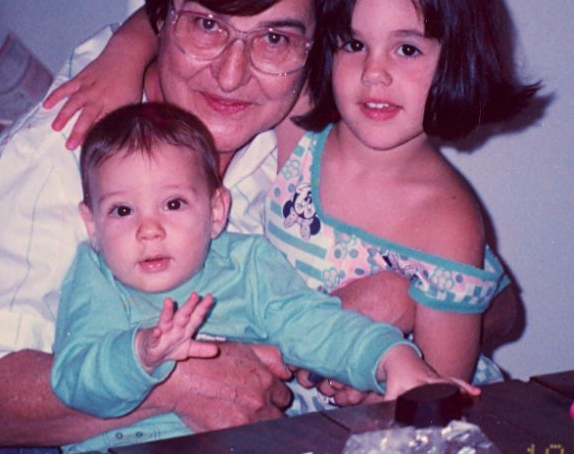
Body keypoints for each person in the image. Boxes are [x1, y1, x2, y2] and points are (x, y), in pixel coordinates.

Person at [0, 0, 360, 451]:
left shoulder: (289, 124)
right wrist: (168, 382)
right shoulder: (60, 151)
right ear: (161, 20)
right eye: (207, 25)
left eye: (274, 39)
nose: (232, 74)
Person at [51, 102, 477, 452]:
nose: (149, 230)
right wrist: (139, 354)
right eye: (122, 210)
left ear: (216, 211)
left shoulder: (247, 264)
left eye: (174, 204)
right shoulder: (95, 276)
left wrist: (391, 358)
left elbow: (314, 324)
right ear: (92, 224)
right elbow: (72, 381)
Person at [266, 0, 540, 407]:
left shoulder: (447, 219)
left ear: (456, 59)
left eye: (407, 49)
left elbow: (432, 401)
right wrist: (128, 45)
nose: (374, 72)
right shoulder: (300, 126)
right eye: (354, 44)